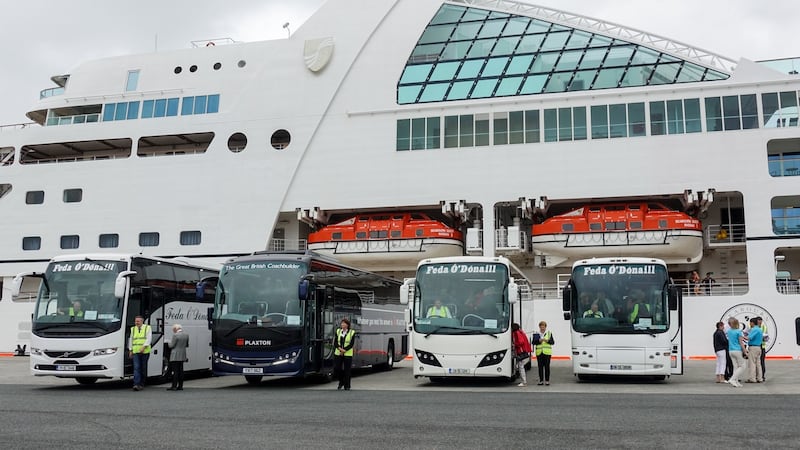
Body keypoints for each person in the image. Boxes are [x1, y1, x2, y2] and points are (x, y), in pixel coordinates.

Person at [128, 316, 152, 391]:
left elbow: (149, 338)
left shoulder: (147, 328)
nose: (136, 323)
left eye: (138, 321)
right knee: (136, 368)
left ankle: (142, 383)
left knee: (143, 368)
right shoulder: (133, 329)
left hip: (145, 351)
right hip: (136, 351)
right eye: (136, 321)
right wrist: (130, 350)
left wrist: (144, 347)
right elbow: (131, 339)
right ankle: (136, 384)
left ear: (142, 321)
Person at [333, 318, 356, 391]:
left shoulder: (352, 332)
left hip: (347, 353)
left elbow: (351, 344)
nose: (342, 325)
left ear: (347, 325)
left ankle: (347, 385)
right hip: (338, 352)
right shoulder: (338, 331)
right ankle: (341, 381)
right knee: (337, 368)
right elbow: (335, 343)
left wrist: (344, 350)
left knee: (347, 370)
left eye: (344, 323)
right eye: (342, 323)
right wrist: (340, 349)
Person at [167, 324, 189, 391]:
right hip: (182, 354)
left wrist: (168, 343)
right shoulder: (186, 335)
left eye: (173, 329)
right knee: (181, 371)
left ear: (176, 329)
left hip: (175, 355)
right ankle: (180, 386)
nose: (173, 331)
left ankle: (174, 386)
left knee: (175, 371)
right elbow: (187, 345)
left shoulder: (175, 335)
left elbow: (171, 346)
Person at [725, 317, 746, 387]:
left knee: (735, 367)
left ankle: (736, 382)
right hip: (737, 350)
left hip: (730, 351)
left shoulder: (729, 331)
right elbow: (741, 343)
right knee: (743, 366)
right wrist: (745, 351)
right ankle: (732, 379)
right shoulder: (738, 331)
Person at [532, 321, 554, 386]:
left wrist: (548, 341)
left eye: (543, 327)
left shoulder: (549, 333)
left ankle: (547, 381)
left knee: (547, 367)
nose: (542, 328)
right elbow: (533, 342)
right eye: (541, 327)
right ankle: (541, 381)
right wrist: (538, 341)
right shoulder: (536, 333)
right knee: (540, 367)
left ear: (545, 327)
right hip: (539, 353)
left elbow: (552, 342)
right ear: (539, 327)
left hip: (547, 353)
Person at [745, 318, 763, 383]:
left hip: (753, 348)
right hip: (758, 347)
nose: (750, 324)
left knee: (752, 363)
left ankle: (752, 378)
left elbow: (749, 337)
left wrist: (741, 337)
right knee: (758, 364)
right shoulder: (759, 329)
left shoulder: (754, 329)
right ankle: (759, 378)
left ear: (752, 323)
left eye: (750, 322)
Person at [756, 317, 767, 381]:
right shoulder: (752, 326)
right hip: (756, 346)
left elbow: (766, 337)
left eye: (761, 321)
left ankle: (762, 376)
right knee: (755, 362)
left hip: (762, 346)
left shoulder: (764, 327)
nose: (760, 323)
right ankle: (756, 375)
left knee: (762, 362)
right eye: (758, 321)